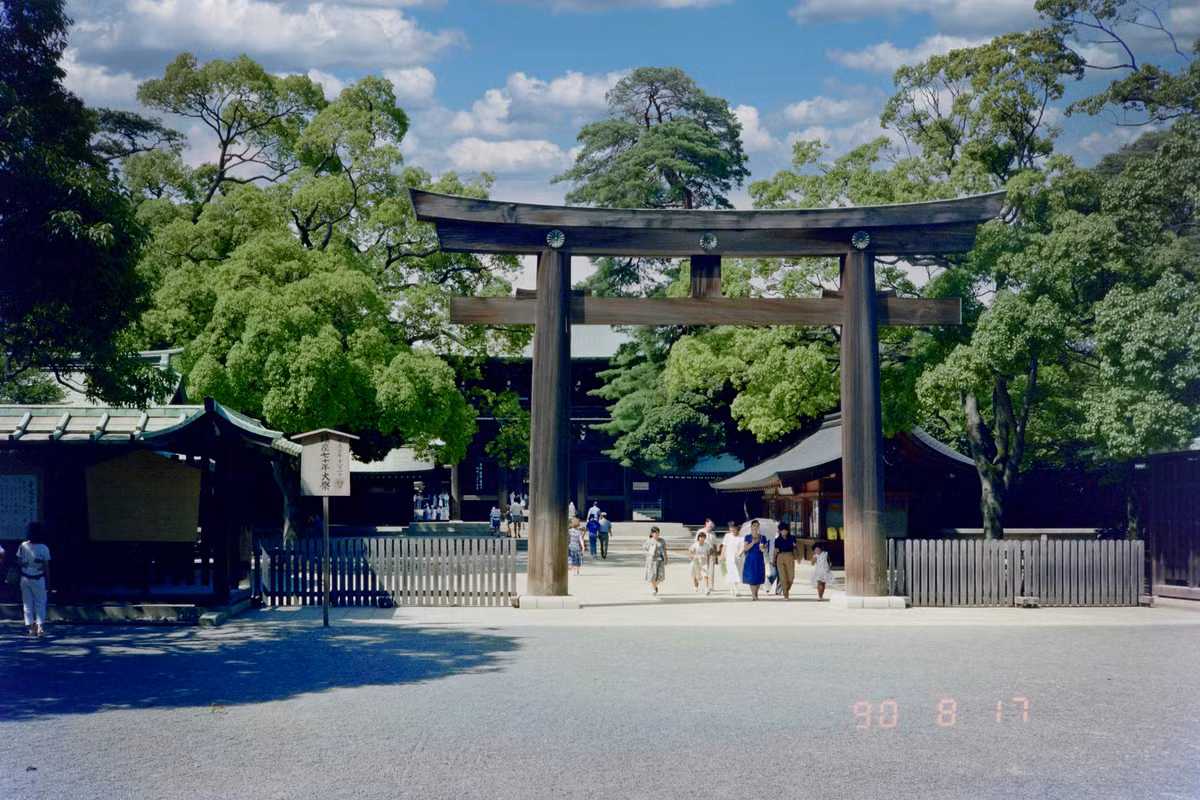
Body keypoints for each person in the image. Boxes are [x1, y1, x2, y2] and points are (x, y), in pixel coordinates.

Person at [17, 521, 51, 636]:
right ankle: (40, 626)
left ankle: (30, 627)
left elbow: (19, 562)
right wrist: (48, 581)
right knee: (40, 602)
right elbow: (46, 566)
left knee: (27, 603)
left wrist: (27, 564)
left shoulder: (23, 546)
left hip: (25, 577)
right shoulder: (44, 548)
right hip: (38, 577)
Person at [741, 519, 768, 600]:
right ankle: (753, 595)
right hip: (750, 558)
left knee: (758, 576)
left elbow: (766, 548)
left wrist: (763, 547)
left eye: (757, 525)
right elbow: (745, 548)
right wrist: (752, 543)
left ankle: (756, 593)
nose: (755, 527)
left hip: (759, 558)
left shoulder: (762, 537)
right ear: (751, 527)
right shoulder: (748, 537)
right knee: (752, 576)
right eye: (754, 525)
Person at [773, 522, 798, 600]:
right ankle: (785, 594)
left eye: (785, 530)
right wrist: (774, 561)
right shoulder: (777, 540)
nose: (784, 532)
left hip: (789, 556)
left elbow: (795, 548)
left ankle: (786, 589)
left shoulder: (792, 538)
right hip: (780, 557)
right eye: (782, 530)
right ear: (780, 531)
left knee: (791, 577)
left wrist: (797, 556)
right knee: (782, 577)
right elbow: (775, 551)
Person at [642, 526, 667, 595]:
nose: (657, 534)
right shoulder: (649, 541)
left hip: (660, 560)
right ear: (652, 533)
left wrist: (666, 558)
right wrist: (649, 554)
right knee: (652, 575)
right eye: (655, 533)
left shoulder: (662, 541)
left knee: (661, 576)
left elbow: (665, 550)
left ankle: (654, 586)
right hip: (652, 560)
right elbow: (644, 550)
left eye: (658, 533)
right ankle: (653, 589)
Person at [721, 521, 743, 597]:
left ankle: (732, 587)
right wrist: (722, 555)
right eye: (730, 527)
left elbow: (742, 546)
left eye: (733, 527)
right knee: (732, 573)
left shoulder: (741, 537)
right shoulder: (727, 536)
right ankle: (736, 590)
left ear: (737, 528)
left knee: (737, 573)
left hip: (738, 557)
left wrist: (740, 553)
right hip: (729, 557)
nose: (732, 529)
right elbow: (724, 546)